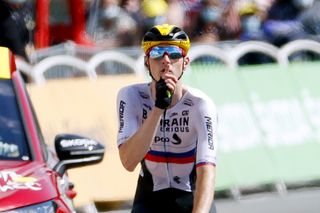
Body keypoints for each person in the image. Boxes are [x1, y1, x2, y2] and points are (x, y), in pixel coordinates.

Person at [116, 24, 218, 213]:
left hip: (191, 196)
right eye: (157, 53)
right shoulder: (131, 97)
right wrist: (157, 110)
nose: (166, 60)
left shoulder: (200, 105)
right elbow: (128, 162)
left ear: (185, 62)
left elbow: (207, 171)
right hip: (150, 199)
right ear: (147, 62)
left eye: (173, 53)